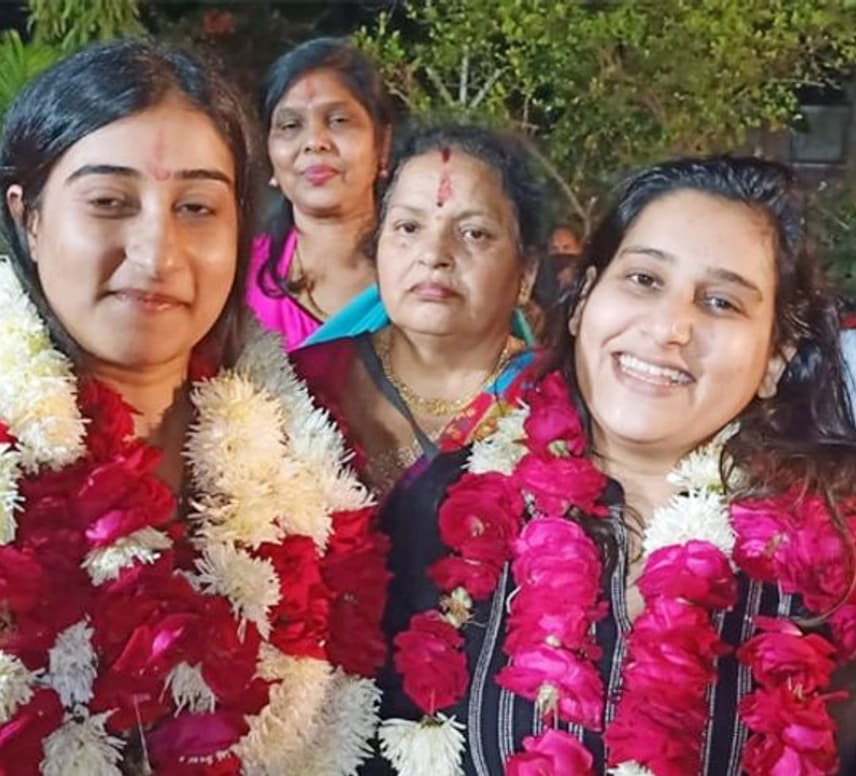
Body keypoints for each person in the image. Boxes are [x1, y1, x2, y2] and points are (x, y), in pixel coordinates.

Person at [0, 39, 387, 775]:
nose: (157, 254)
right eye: (109, 203)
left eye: (196, 208)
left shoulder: (310, 467)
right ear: (28, 216)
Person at [363, 156, 856, 775]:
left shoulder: (831, 560)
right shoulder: (448, 510)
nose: (670, 327)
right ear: (582, 303)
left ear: (776, 358)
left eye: (721, 302)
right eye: (645, 279)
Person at [294, 125, 546, 497]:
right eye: (408, 227)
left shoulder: (555, 404)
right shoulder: (300, 385)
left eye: (474, 233)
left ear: (526, 273)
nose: (433, 254)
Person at [248, 37, 394, 349]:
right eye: (290, 126)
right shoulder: (236, 279)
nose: (315, 141)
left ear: (382, 144)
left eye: (338, 121)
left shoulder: (422, 274)